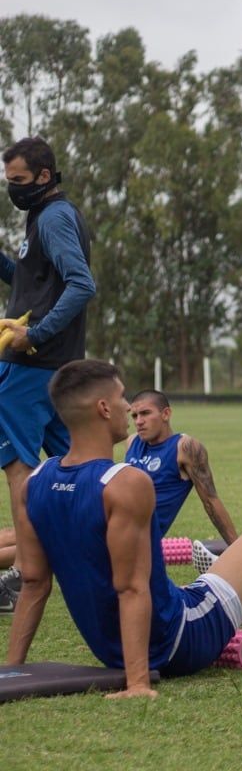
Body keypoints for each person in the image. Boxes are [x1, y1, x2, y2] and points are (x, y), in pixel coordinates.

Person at [5, 360, 242, 694]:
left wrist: (15, 672)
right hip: (178, 639)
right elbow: (132, 588)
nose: (128, 408)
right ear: (103, 408)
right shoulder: (124, 482)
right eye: (122, 399)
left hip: (110, 647)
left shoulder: (35, 482)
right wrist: (138, 683)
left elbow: (35, 583)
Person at [0, 137, 97, 610]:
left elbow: (82, 285)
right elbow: (30, 281)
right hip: (59, 366)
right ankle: (107, 559)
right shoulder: (45, 216)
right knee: (78, 470)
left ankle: (23, 577)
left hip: (30, 365)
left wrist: (33, 334)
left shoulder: (54, 217)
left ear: (43, 176)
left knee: (20, 470)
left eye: (17, 181)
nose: (12, 190)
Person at [123, 389, 239, 544]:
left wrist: (236, 547)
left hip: (135, 538)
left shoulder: (185, 448)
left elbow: (210, 500)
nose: (138, 421)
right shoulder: (132, 442)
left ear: (166, 414)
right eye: (135, 416)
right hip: (114, 525)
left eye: (145, 413)